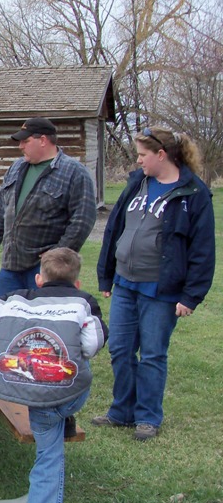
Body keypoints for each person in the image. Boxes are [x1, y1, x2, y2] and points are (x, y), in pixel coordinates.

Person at [0, 248, 107, 503]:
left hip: (19, 386)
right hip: (63, 393)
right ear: (78, 280)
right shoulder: (83, 302)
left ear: (39, 278)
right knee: (79, 373)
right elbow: (92, 344)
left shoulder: (16, 298)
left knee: (49, 449)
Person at [94, 126, 215, 441]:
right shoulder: (137, 184)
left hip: (161, 290)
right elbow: (114, 229)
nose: (138, 161)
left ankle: (147, 417)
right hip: (125, 282)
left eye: (143, 155)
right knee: (120, 349)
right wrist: (107, 273)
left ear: (161, 155)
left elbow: (203, 249)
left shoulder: (194, 193)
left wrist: (191, 296)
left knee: (152, 354)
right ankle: (122, 411)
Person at [0, 117, 97, 297]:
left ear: (43, 140)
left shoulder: (74, 172)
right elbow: (0, 208)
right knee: (7, 319)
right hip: (11, 266)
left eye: (25, 141)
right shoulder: (16, 167)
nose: (20, 146)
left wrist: (57, 255)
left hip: (46, 268)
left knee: (42, 322)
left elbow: (82, 220)